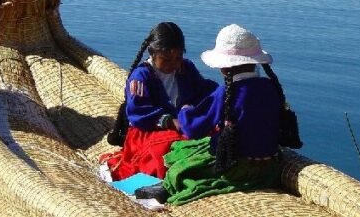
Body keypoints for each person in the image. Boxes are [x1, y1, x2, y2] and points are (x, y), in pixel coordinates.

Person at [135, 24, 283, 205]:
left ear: (223, 67)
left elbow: (192, 128)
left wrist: (185, 112)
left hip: (236, 166)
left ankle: (168, 187)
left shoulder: (226, 93)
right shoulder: (271, 87)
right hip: (271, 166)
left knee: (181, 165)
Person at [100, 22, 218, 181]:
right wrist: (169, 121)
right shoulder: (140, 78)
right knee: (169, 150)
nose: (173, 64)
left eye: (178, 57)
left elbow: (203, 91)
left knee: (213, 136)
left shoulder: (186, 69)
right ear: (153, 53)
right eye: (167, 59)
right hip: (147, 131)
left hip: (181, 125)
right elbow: (138, 114)